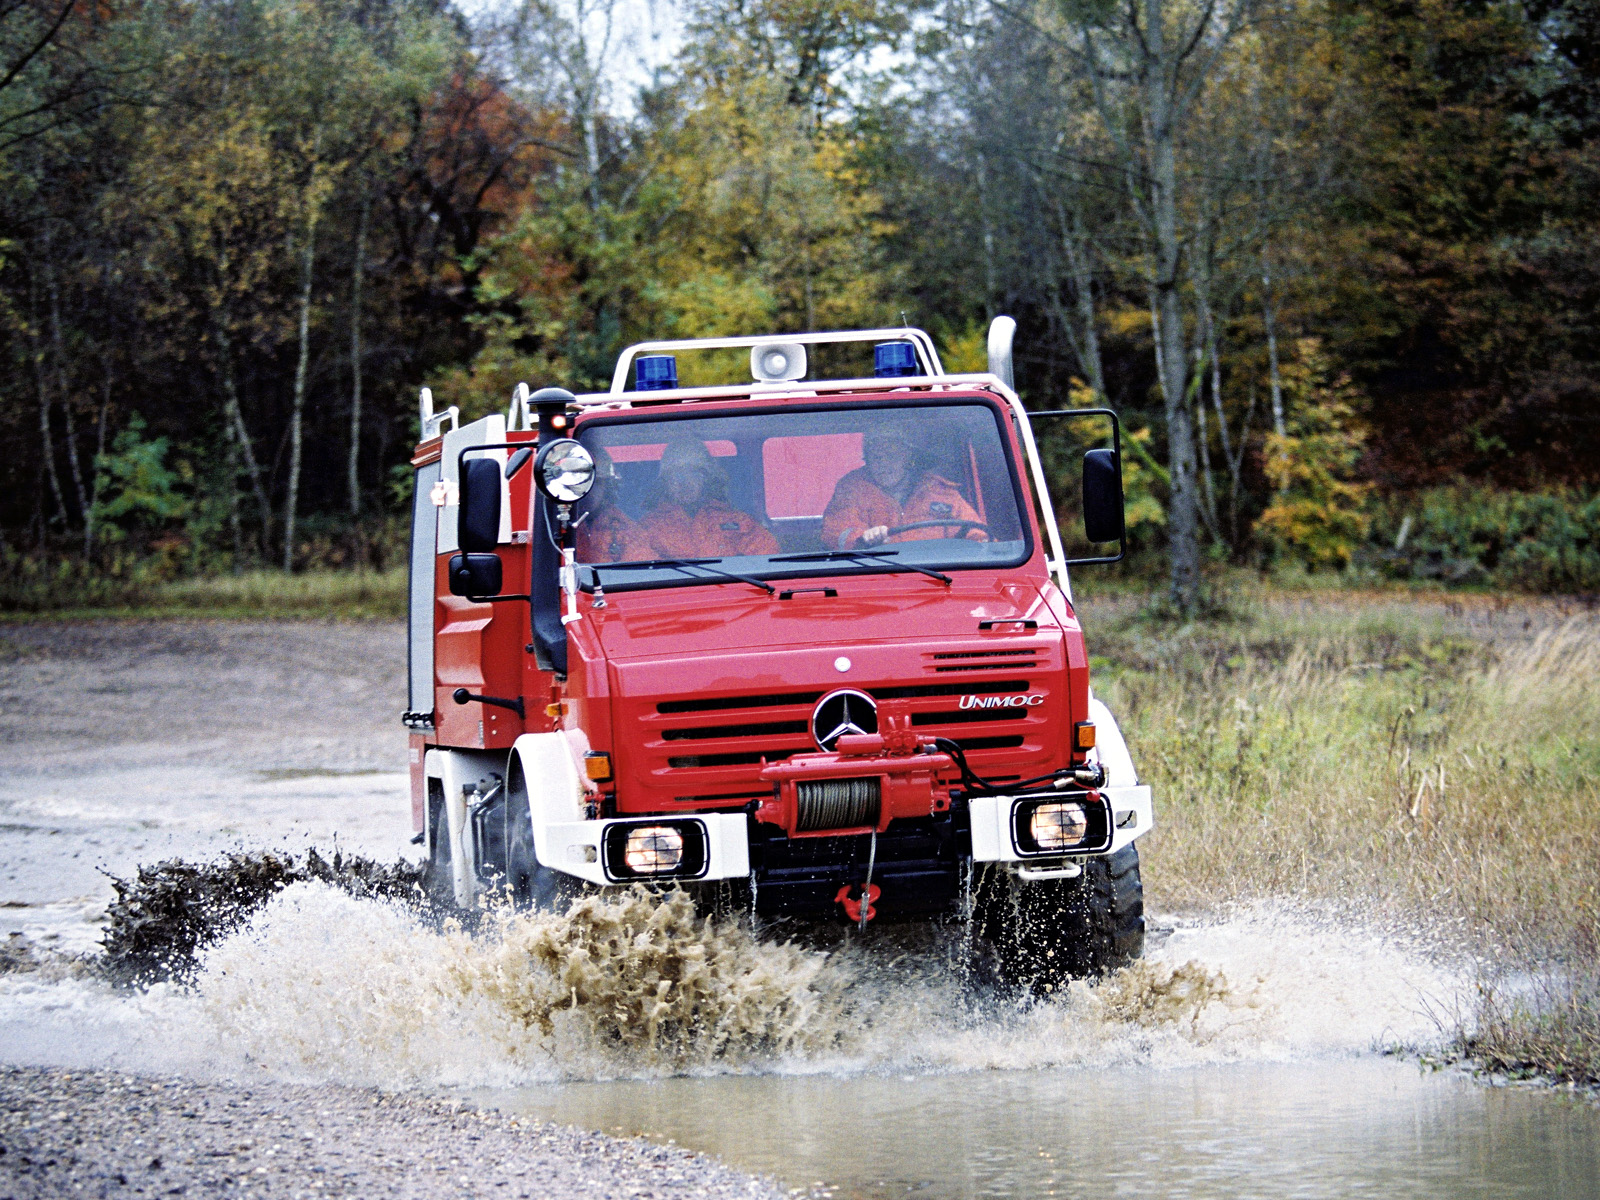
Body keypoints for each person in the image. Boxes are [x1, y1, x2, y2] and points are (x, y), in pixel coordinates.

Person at [821, 421, 984, 550]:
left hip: (939, 580)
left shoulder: (941, 491)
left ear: (909, 458)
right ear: (867, 459)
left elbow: (979, 539)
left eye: (891, 456)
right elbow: (835, 533)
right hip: (875, 578)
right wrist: (862, 538)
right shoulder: (852, 489)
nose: (883, 465)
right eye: (877, 457)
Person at [639, 438, 779, 558]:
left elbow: (766, 560)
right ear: (665, 483)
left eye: (693, 474)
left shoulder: (740, 523)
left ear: (707, 480)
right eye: (675, 476)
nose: (684, 482)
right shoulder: (647, 528)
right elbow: (640, 573)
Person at [574, 447, 652, 563]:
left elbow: (641, 571)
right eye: (581, 483)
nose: (588, 490)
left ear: (608, 487)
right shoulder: (553, 527)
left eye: (596, 483)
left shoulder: (626, 529)